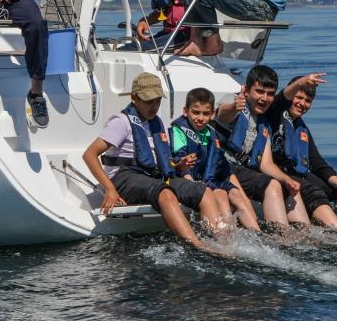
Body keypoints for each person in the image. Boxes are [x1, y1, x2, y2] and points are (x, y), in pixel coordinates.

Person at [82, 73, 231, 250]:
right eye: (149, 101)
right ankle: (198, 246)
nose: (154, 106)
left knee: (203, 191)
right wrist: (109, 189)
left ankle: (223, 243)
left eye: (157, 101)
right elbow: (89, 155)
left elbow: (160, 159)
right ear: (134, 98)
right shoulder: (121, 122)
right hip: (124, 176)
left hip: (153, 177)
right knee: (165, 193)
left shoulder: (156, 123)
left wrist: (178, 165)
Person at [271, 75, 337, 224]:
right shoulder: (273, 115)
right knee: (313, 191)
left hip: (298, 174)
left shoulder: (300, 127)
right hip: (279, 175)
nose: (302, 104)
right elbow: (280, 99)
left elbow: (317, 162)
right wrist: (300, 82)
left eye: (308, 101)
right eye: (298, 97)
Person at [213, 64, 308, 229]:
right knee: (272, 184)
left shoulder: (264, 123)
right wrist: (235, 107)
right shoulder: (235, 105)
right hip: (224, 167)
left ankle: (304, 232)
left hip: (245, 172)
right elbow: (222, 114)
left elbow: (266, 164)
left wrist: (287, 180)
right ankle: (282, 234)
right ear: (246, 90)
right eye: (259, 91)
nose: (264, 98)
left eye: (270, 94)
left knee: (289, 186)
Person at [168, 87, 260, 231]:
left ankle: (256, 233)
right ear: (186, 111)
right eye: (196, 112)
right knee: (221, 194)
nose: (200, 118)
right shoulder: (179, 130)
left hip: (209, 180)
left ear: (212, 115)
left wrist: (245, 199)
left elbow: (224, 169)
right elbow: (180, 162)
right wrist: (194, 185)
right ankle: (225, 235)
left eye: (205, 114)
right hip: (189, 180)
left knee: (236, 194)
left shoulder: (210, 134)